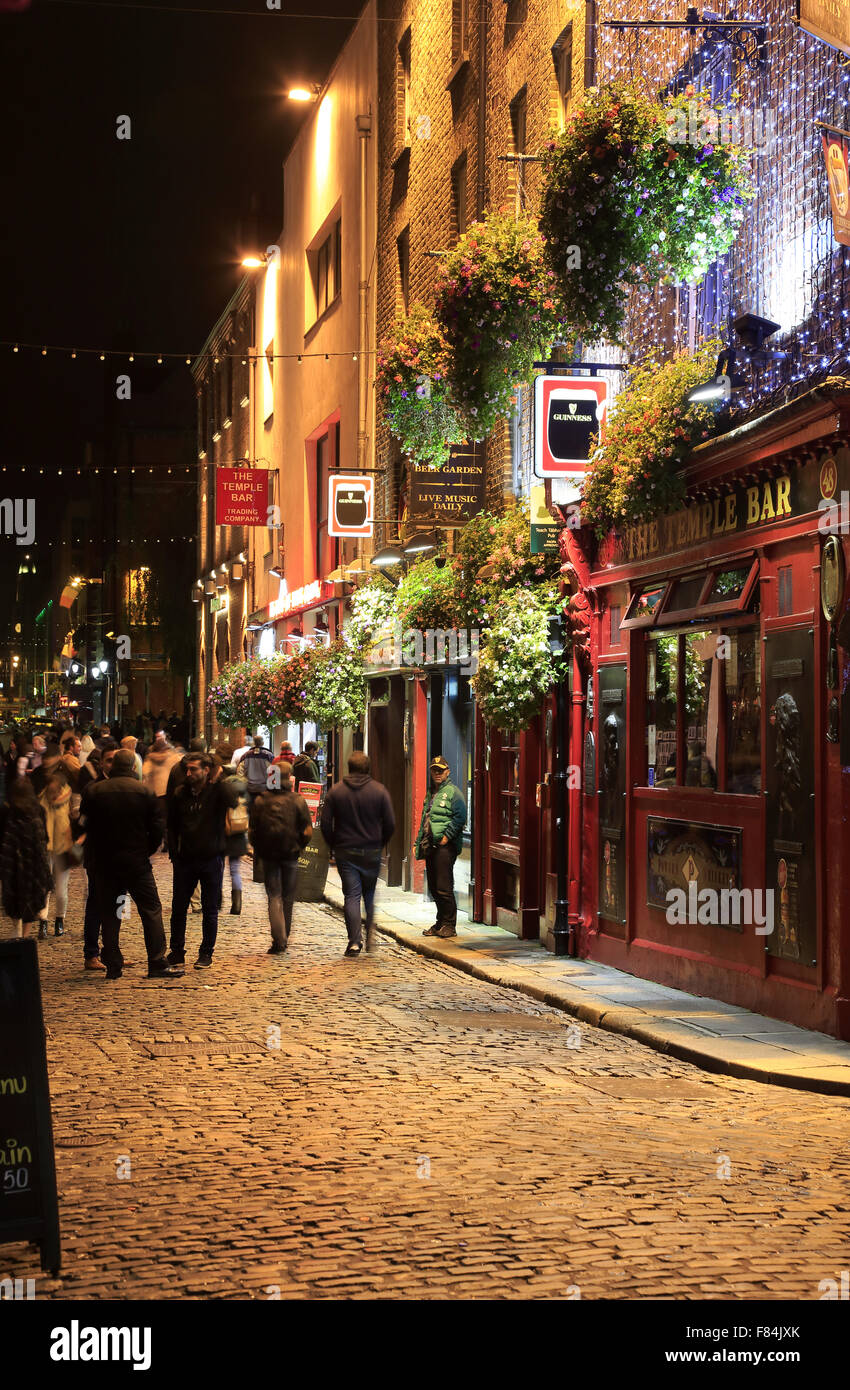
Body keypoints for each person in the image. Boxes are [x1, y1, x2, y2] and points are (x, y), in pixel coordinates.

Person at [81, 751, 183, 980]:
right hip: (136, 863)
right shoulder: (144, 792)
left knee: (112, 911)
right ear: (132, 767)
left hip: (106, 863)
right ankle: (156, 961)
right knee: (151, 910)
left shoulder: (95, 791)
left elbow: (85, 824)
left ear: (113, 766)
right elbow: (157, 828)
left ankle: (113, 964)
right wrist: (145, 850)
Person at [320, 750, 396, 957]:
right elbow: (390, 823)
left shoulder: (336, 792)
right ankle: (370, 936)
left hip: (346, 851)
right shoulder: (379, 791)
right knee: (369, 894)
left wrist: (333, 846)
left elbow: (325, 824)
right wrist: (380, 843)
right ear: (367, 768)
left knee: (352, 896)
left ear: (349, 768)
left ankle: (354, 941)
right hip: (371, 850)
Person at [166, 752, 238, 970]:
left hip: (211, 858)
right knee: (179, 908)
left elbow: (234, 800)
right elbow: (172, 826)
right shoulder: (180, 793)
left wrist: (220, 777)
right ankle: (177, 951)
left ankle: (206, 953)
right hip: (186, 859)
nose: (189, 773)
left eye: (194, 769)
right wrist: (174, 855)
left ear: (206, 771)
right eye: (187, 769)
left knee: (210, 908)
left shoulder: (217, 792)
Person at [250, 770, 312, 954]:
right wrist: (300, 845)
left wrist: (259, 848)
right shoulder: (297, 800)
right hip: (291, 854)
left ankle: (278, 939)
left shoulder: (261, 800)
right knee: (288, 898)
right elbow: (307, 831)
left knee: (274, 896)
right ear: (289, 779)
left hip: (269, 856)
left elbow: (252, 831)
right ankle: (284, 936)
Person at [415, 755, 467, 940]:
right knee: (435, 887)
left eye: (440, 770)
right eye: (434, 770)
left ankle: (449, 925)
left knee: (444, 887)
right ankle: (440, 923)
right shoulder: (431, 792)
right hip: (431, 845)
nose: (437, 773)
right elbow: (426, 818)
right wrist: (419, 842)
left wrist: (446, 837)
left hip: (444, 847)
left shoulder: (454, 792)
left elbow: (461, 817)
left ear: (448, 771)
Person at [0, 777, 52, 937]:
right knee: (31, 897)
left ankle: (17, 931)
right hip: (33, 861)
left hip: (12, 861)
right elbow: (45, 837)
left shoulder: (6, 810)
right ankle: (25, 936)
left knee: (13, 894)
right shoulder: (38, 810)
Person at [36, 763, 75, 939]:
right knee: (44, 888)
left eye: (54, 791)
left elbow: (77, 823)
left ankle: (60, 919)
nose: (52, 795)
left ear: (60, 789)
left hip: (62, 849)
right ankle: (42, 922)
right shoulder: (40, 799)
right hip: (44, 849)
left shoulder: (70, 800)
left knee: (61, 890)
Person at [215, 746, 249, 915]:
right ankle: (237, 905)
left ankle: (218, 901)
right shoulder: (244, 789)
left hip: (222, 833)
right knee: (235, 870)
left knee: (219, 869)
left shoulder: (221, 789)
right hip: (238, 833)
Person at [141, 731, 182, 840]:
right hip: (170, 789)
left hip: (157, 791)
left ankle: (163, 837)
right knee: (171, 815)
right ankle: (170, 837)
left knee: (160, 816)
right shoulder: (173, 755)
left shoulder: (150, 756)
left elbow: (145, 772)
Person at [240, 735, 275, 807]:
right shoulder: (269, 755)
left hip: (249, 789)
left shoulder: (246, 755)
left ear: (254, 743)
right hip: (264, 789)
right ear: (263, 743)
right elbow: (273, 772)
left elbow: (240, 772)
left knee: (250, 810)